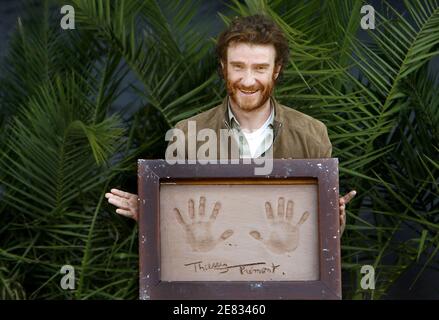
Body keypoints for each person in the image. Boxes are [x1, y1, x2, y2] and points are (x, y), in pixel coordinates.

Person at [105, 14, 356, 235]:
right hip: (212, 281)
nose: (248, 81)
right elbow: (180, 223)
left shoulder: (312, 134)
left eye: (260, 68)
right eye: (238, 67)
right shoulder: (187, 136)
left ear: (276, 70)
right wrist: (152, 215)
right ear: (224, 67)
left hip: (284, 283)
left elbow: (321, 238)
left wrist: (334, 222)